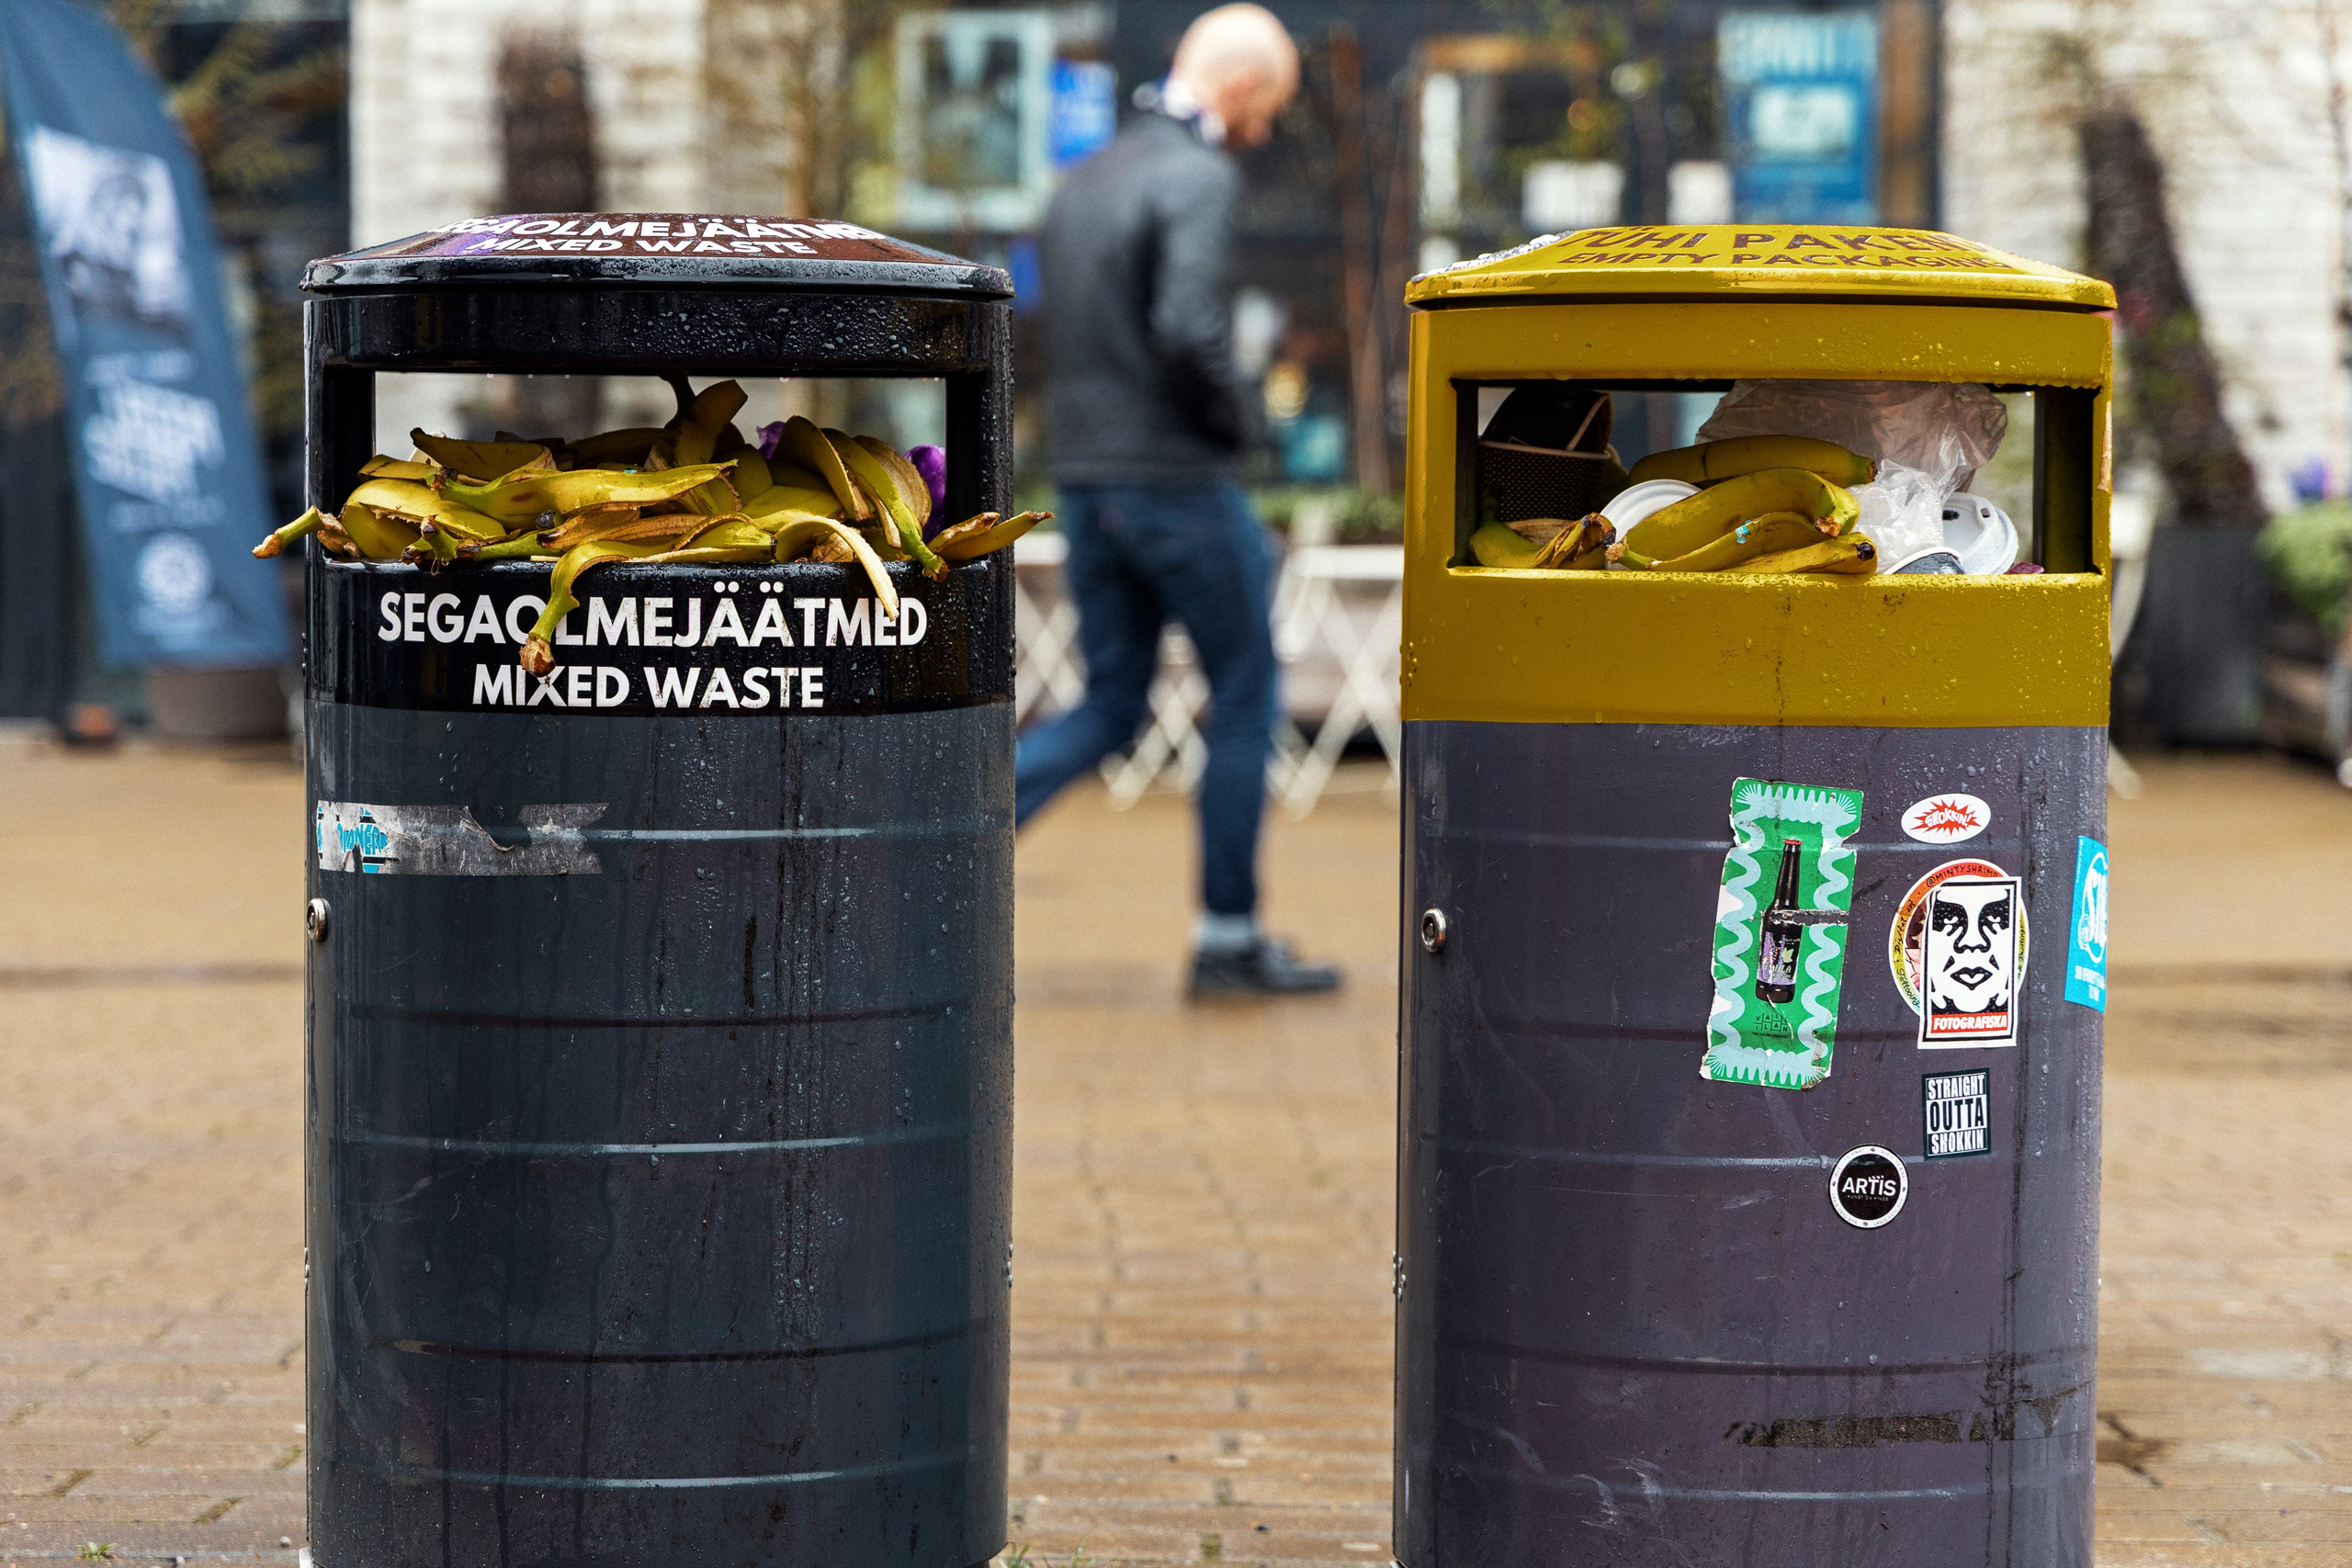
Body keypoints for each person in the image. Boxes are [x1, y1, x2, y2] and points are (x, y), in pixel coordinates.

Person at [1023, 3, 1339, 998]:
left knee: (1111, 702)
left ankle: (942, 839)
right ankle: (1228, 938)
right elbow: (1186, 329)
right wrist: (1244, 429)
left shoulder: (1083, 180)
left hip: (1087, 484)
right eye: (1271, 107)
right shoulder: (1197, 176)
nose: (1268, 130)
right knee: (1243, 695)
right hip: (1179, 484)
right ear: (1240, 87)